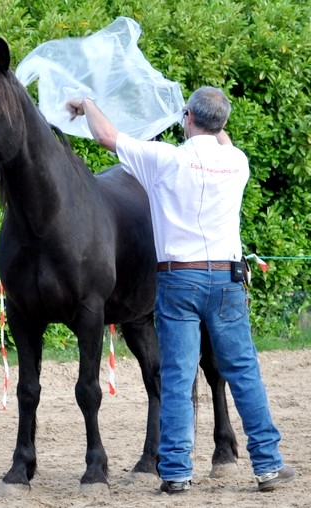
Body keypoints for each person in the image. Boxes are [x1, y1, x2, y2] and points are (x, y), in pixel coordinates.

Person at [66, 87, 295, 494]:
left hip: (178, 280)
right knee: (244, 373)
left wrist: (86, 102)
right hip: (227, 280)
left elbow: (106, 135)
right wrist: (201, 116)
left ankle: (174, 472)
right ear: (223, 124)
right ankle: (268, 466)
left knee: (176, 375)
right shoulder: (236, 162)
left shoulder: (165, 159)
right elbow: (221, 137)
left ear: (187, 117)